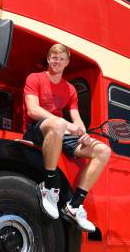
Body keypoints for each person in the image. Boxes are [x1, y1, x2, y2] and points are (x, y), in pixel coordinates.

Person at [23, 43, 111, 232]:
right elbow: (32, 110)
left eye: (61, 59)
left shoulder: (70, 89)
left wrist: (82, 132)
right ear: (48, 59)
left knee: (103, 151)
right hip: (37, 129)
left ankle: (74, 205)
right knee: (59, 123)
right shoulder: (35, 78)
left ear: (67, 63)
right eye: (54, 58)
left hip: (59, 131)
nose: (57, 62)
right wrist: (67, 125)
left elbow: (76, 117)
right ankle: (49, 187)